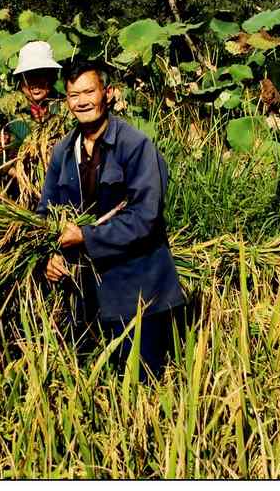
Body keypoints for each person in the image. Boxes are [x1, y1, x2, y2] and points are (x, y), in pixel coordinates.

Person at [37, 61, 186, 380]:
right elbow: (47, 213)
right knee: (94, 390)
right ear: (66, 101)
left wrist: (86, 237)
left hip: (138, 294)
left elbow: (145, 218)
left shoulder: (135, 146)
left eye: (89, 91)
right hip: (86, 297)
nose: (82, 101)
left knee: (143, 388)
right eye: (73, 95)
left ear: (108, 93)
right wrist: (50, 254)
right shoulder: (63, 152)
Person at [0, 40, 66, 202]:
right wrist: (20, 175)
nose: (35, 83)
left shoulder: (64, 107)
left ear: (51, 76)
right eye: (30, 76)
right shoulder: (6, 108)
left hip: (59, 193)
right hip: (15, 194)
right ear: (21, 78)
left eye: (41, 74)